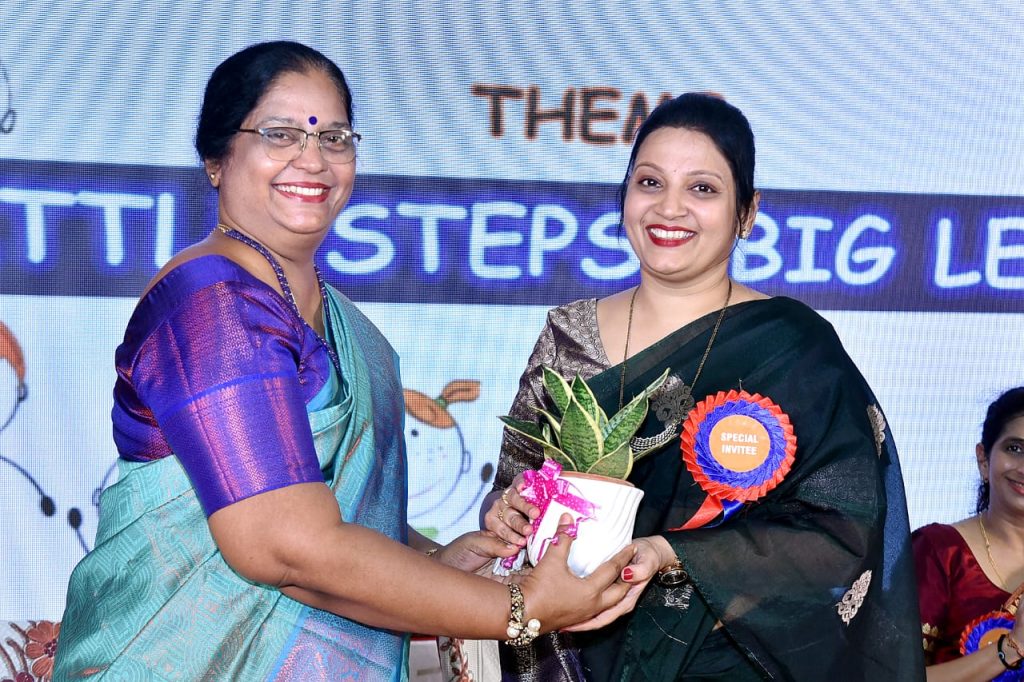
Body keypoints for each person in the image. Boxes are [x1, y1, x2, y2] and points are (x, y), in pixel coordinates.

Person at [52, 41, 637, 681]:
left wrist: (439, 562)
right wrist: (519, 607)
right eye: (279, 134)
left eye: (334, 138)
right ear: (216, 159)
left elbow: (335, 512)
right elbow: (288, 548)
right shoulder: (213, 306)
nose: (313, 159)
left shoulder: (345, 325)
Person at [482, 92, 924, 680]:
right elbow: (509, 486)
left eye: (703, 188)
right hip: (572, 651)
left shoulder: (792, 347)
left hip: (731, 661)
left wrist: (673, 554)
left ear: (747, 212)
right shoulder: (568, 333)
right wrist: (506, 513)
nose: (670, 208)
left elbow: (842, 529)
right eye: (650, 182)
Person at [913, 387, 1024, 680]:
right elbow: (894, 675)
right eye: (1015, 448)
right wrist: (1011, 648)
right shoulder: (939, 552)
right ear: (984, 460)